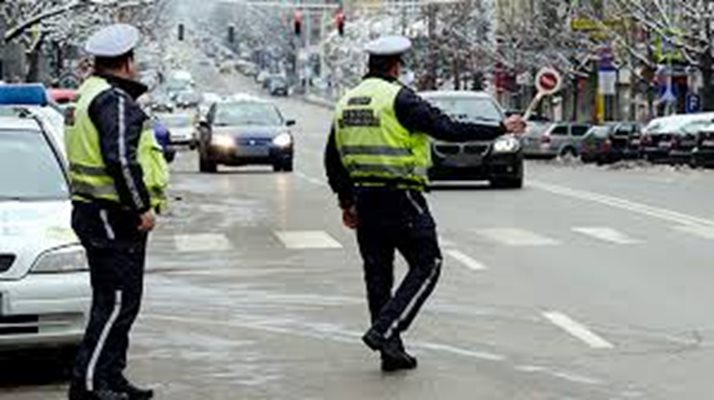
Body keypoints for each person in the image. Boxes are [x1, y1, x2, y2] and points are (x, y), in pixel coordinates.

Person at [324, 35, 525, 372]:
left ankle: (391, 351)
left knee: (378, 277)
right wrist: (500, 128)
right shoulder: (398, 98)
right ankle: (385, 330)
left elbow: (333, 159)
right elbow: (446, 127)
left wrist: (347, 201)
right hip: (401, 197)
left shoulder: (346, 102)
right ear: (395, 66)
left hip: (365, 198)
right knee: (428, 263)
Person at [65, 24, 169, 400]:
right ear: (126, 63)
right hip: (112, 214)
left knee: (119, 301)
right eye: (135, 61)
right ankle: (89, 384)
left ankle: (112, 377)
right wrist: (141, 206)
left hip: (93, 211)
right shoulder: (113, 100)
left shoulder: (87, 94)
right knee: (115, 304)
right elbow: (121, 160)